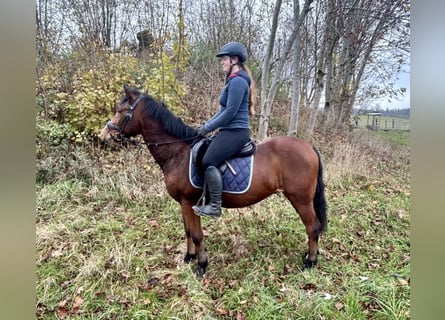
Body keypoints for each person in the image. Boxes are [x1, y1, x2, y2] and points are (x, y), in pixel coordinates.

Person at [193, 41, 256, 219]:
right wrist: (205, 125)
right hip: (229, 130)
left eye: (224, 59)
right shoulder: (232, 81)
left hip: (236, 132)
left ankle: (215, 206)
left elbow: (230, 112)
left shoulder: (237, 82)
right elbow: (222, 111)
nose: (222, 62)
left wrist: (207, 128)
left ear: (235, 60)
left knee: (209, 160)